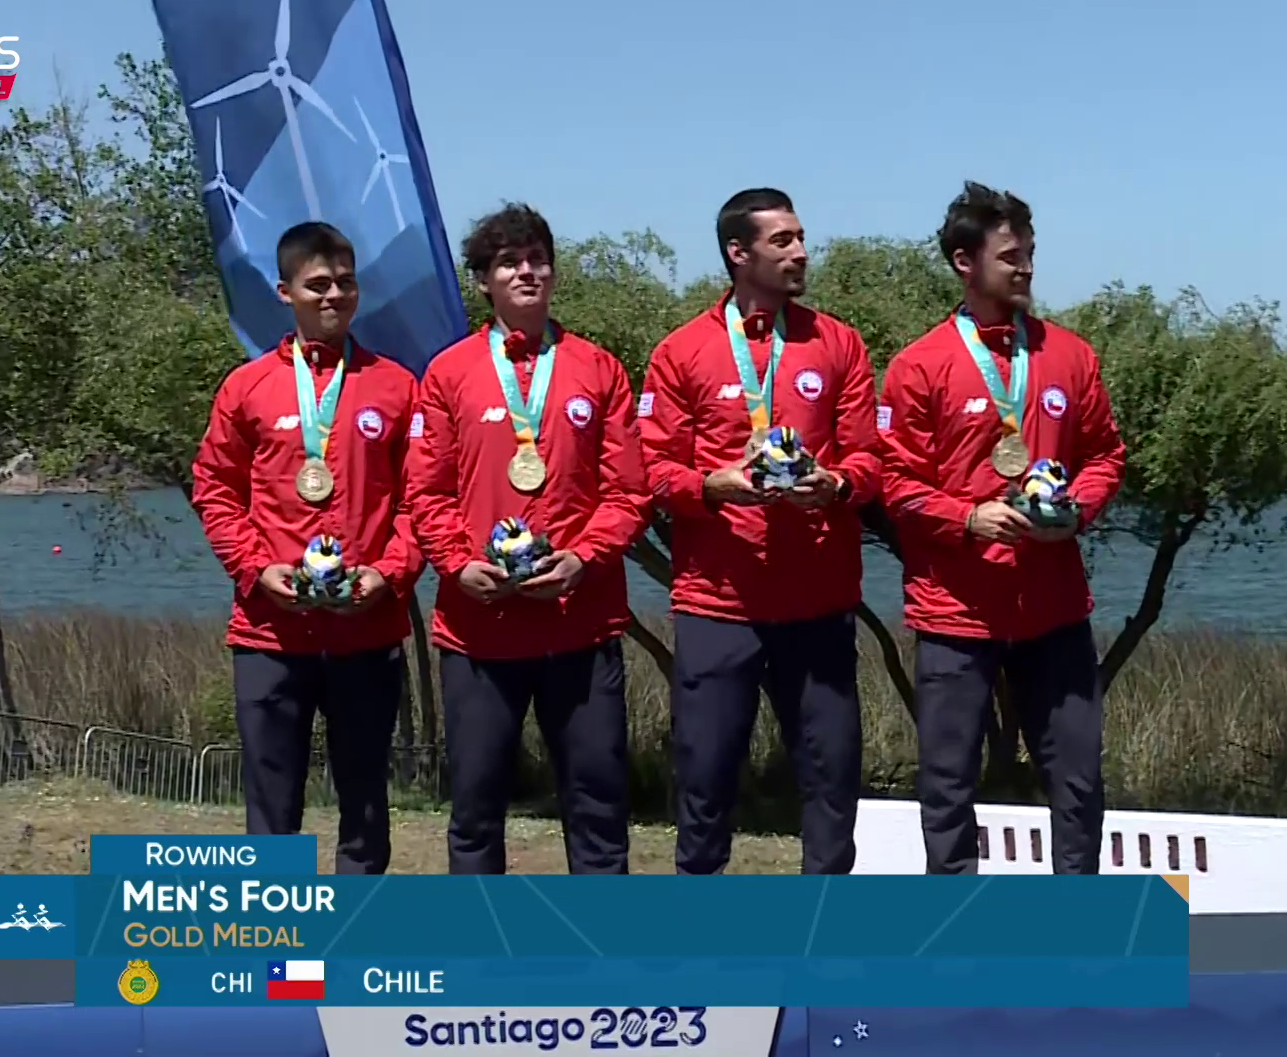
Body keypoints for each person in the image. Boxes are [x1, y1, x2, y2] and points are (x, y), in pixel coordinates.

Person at [877, 181, 1127, 875]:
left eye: (1031, 254)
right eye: (1011, 255)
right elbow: (895, 484)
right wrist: (968, 516)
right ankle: (958, 932)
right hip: (956, 612)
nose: (1026, 268)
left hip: (1052, 607)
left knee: (1077, 777)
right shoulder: (918, 365)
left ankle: (1075, 928)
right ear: (965, 261)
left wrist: (1078, 506)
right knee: (949, 783)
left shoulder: (1070, 355)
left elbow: (1106, 453)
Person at [637, 187, 882, 875]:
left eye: (801, 237)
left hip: (818, 603)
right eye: (783, 241)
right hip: (719, 606)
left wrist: (835, 483)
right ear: (738, 253)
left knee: (832, 784)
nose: (801, 251)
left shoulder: (839, 342)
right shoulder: (681, 351)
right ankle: (698, 953)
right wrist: (709, 485)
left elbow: (871, 458)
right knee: (706, 783)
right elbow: (653, 469)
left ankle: (819, 961)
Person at [404, 202, 648, 875]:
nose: (527, 271)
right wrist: (455, 565)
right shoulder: (447, 373)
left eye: (538, 258)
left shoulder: (599, 369)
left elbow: (630, 492)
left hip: (582, 620)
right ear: (483, 280)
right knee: (477, 807)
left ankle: (603, 961)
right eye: (509, 261)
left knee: (598, 804)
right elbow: (425, 494)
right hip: (480, 629)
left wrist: (584, 558)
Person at [189, 221, 422, 875]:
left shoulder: (397, 387)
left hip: (366, 631)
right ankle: (285, 963)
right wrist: (254, 568)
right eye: (317, 284)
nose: (334, 295)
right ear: (283, 291)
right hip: (270, 635)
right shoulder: (247, 387)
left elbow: (422, 501)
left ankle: (349, 955)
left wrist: (392, 572)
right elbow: (213, 488)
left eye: (345, 283)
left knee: (366, 807)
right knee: (271, 812)